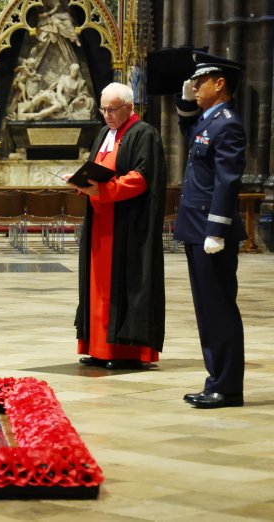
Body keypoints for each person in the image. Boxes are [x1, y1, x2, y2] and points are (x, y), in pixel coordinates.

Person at [71, 82, 166, 370]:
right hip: (101, 221)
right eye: (103, 109)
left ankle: (126, 351)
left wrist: (103, 191)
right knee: (97, 286)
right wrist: (82, 183)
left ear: (129, 107)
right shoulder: (104, 133)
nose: (107, 115)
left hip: (127, 225)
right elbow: (95, 166)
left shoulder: (143, 134)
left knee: (124, 285)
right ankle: (99, 348)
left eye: (113, 109)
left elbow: (140, 177)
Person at [175, 52, 247, 409]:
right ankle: (216, 380)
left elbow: (227, 182)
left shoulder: (228, 123)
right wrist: (186, 102)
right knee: (207, 310)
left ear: (220, 84)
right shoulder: (209, 121)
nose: (195, 86)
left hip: (210, 229)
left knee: (219, 308)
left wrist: (216, 229)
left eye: (200, 81)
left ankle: (229, 386)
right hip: (196, 227)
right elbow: (190, 132)